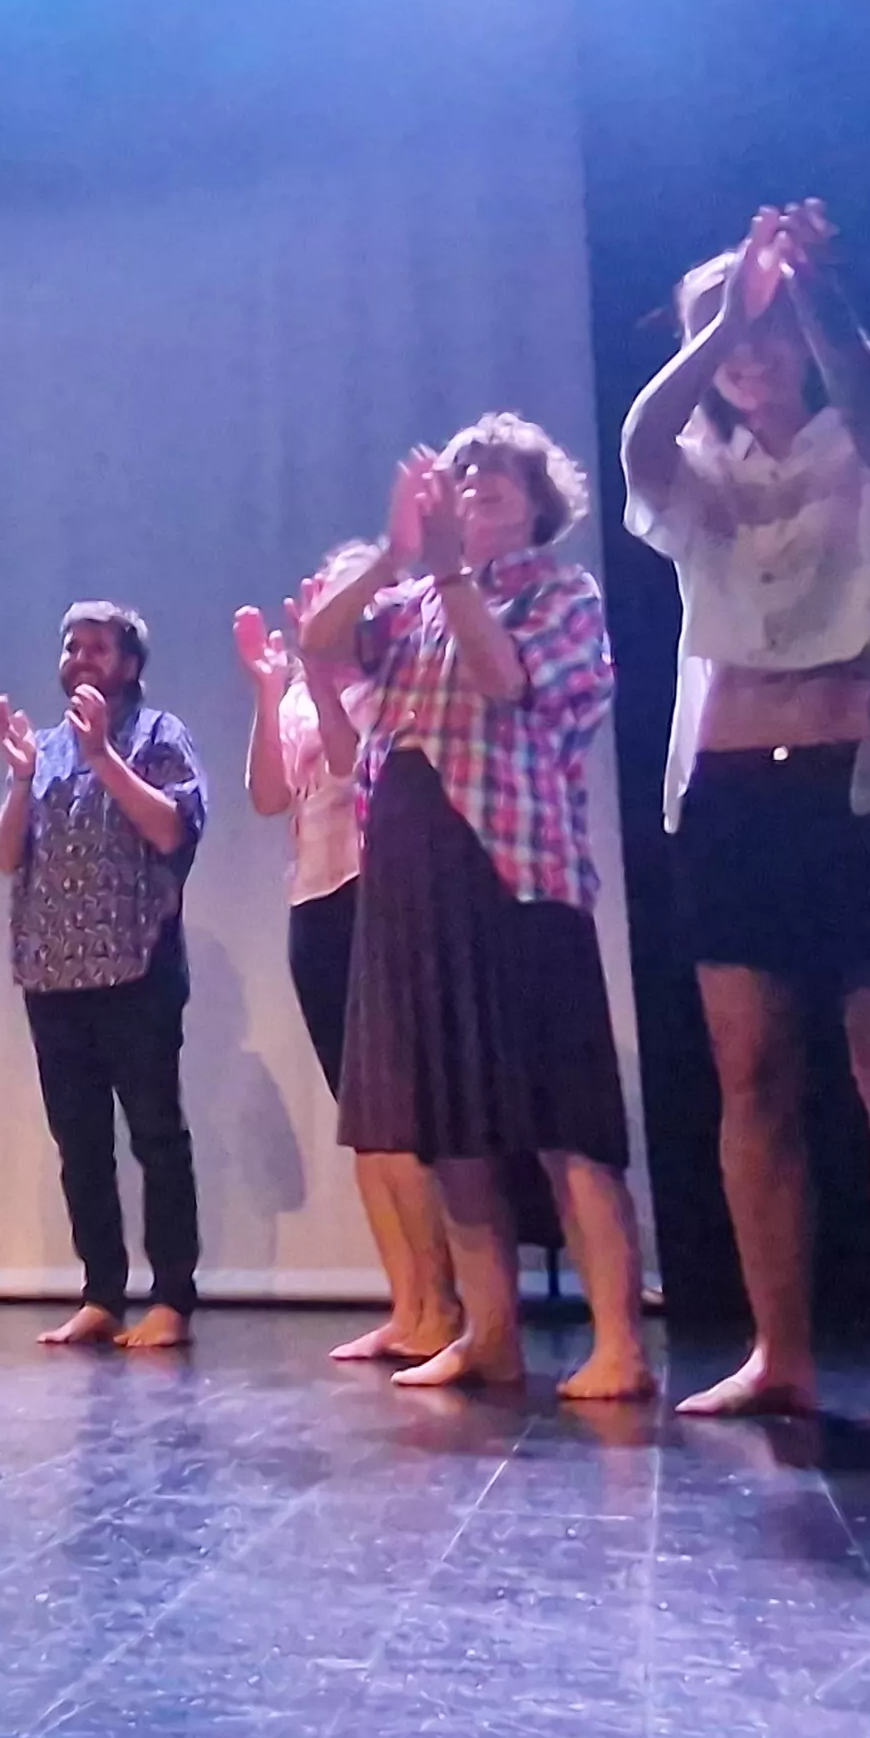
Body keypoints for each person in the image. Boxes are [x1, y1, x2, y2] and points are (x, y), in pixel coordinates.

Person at [625, 202, 870, 1423]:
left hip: (869, 787)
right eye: (728, 333)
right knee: (751, 1074)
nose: (749, 351)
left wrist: (812, 300)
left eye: (767, 328)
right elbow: (638, 439)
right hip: (732, 796)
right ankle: (779, 1350)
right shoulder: (696, 472)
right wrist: (714, 325)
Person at [301, 418, 651, 1401]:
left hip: (516, 873)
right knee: (447, 1118)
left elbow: (505, 681)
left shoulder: (561, 591)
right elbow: (321, 643)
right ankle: (488, 1333)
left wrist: (452, 577)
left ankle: (619, 1342)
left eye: (492, 488)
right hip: (411, 875)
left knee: (561, 1118)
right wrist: (397, 554)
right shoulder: (410, 598)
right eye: (459, 487)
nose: (472, 499)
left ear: (538, 504)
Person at [241, 550, 462, 1366]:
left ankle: (444, 1304)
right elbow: (268, 796)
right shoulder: (301, 689)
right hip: (314, 897)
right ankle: (408, 1305)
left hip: (375, 889)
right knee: (361, 1115)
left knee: (399, 1112)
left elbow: (348, 764)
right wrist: (272, 692)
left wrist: (322, 678)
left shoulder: (382, 673)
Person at [0, 604, 209, 1350]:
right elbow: (7, 856)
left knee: (155, 1136)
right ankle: (102, 1294)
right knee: (79, 1143)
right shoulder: (44, 748)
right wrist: (20, 778)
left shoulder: (156, 735)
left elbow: (174, 828)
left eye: (98, 648)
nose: (81, 658)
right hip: (53, 974)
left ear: (130, 665)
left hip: (137, 966)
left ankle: (172, 1298)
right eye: (71, 647)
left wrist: (106, 757)